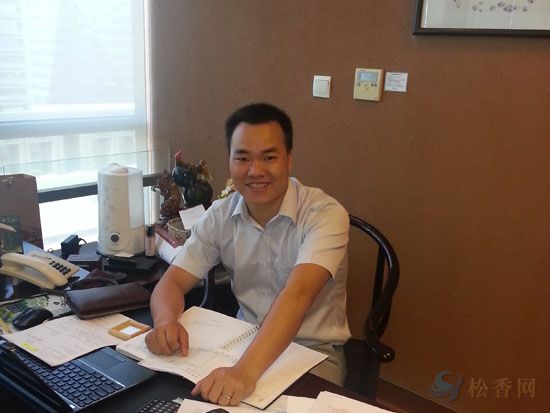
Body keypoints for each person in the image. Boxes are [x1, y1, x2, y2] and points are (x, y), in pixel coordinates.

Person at [145, 102, 351, 407]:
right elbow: (172, 282)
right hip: (242, 340)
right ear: (229, 162)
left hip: (313, 352)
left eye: (269, 157)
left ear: (289, 159)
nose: (255, 171)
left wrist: (244, 373)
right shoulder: (220, 215)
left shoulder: (325, 214)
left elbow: (297, 297)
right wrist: (164, 321)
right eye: (242, 158)